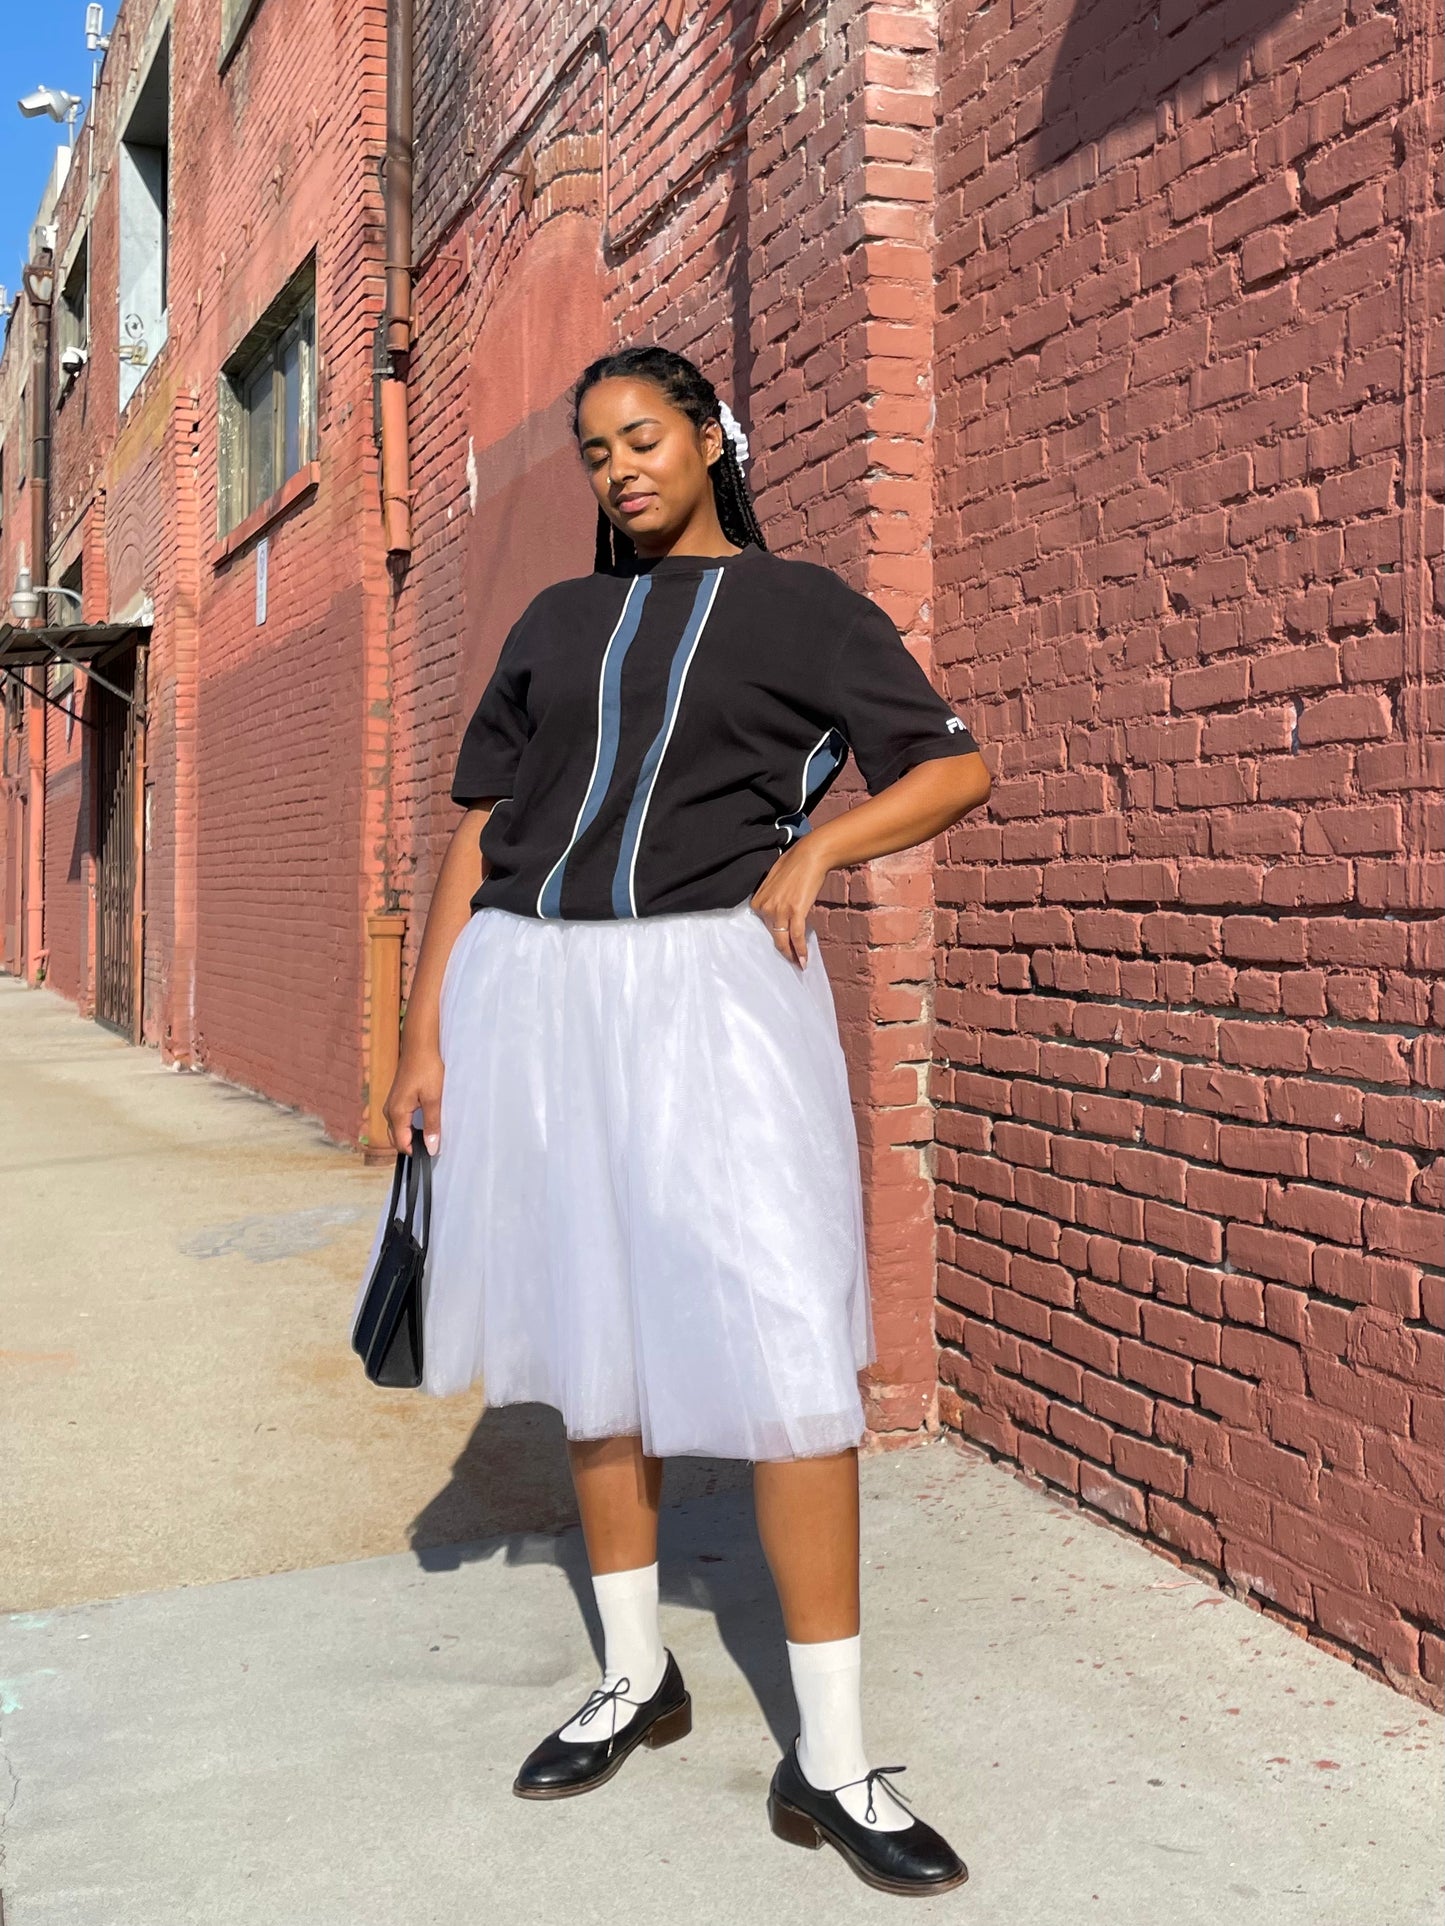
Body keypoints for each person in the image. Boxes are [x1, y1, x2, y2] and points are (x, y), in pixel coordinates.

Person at [357, 344, 990, 1897]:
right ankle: (636, 1673)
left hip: (715, 992)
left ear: (712, 438)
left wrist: (822, 848)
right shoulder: (554, 622)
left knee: (785, 1343)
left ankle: (831, 1754)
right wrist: (422, 1031)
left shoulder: (805, 609)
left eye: (642, 436)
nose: (618, 466)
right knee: (591, 1330)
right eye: (593, 450)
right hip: (534, 990)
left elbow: (952, 764)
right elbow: (482, 834)